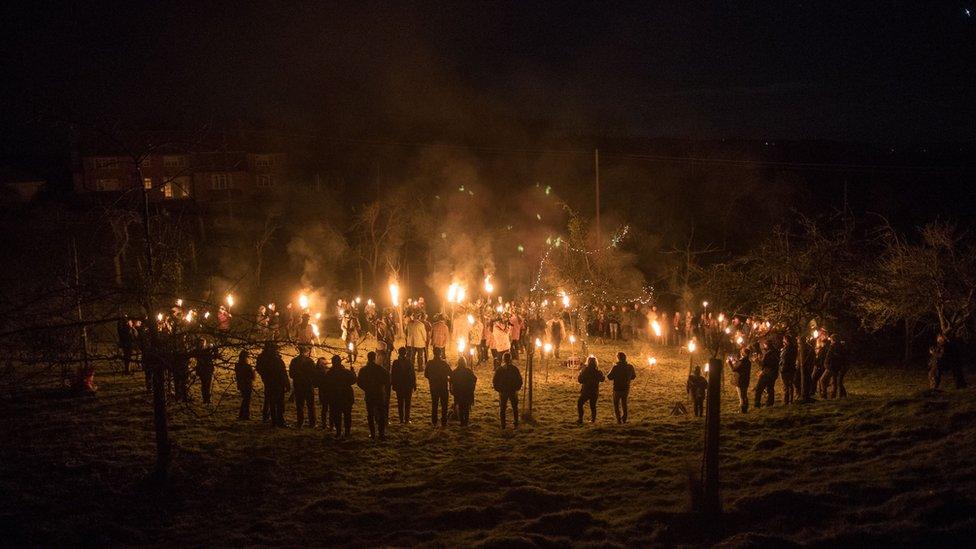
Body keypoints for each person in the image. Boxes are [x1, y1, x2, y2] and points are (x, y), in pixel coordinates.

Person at [357, 351, 391, 439]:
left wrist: (366, 388)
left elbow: (359, 382)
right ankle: (381, 434)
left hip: (369, 394)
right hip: (379, 393)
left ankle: (372, 434)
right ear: (375, 358)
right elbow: (387, 379)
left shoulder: (364, 370)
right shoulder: (380, 369)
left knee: (370, 414)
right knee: (381, 413)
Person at [323, 355, 357, 439]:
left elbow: (326, 385)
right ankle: (347, 432)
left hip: (335, 398)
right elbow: (353, 380)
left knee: (337, 415)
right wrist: (353, 372)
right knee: (347, 415)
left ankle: (338, 432)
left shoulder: (330, 373)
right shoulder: (345, 372)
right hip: (345, 397)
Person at [260, 343, 289, 427]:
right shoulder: (277, 361)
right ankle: (279, 421)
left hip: (269, 384)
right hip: (277, 384)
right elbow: (283, 373)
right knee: (279, 404)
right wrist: (286, 383)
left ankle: (274, 421)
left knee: (272, 403)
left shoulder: (265, 359)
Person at [492, 352, 523, 429]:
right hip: (512, 391)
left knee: (503, 408)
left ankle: (503, 424)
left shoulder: (500, 369)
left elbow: (495, 381)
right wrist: (517, 388)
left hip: (504, 391)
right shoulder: (514, 369)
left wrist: (499, 389)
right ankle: (515, 423)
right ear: (510, 359)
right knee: (514, 407)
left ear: (503, 359)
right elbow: (519, 380)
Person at [289, 346, 317, 428]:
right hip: (308, 385)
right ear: (306, 352)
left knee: (299, 405)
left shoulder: (294, 361)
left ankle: (300, 422)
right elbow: (314, 374)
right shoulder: (310, 361)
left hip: (298, 386)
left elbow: (291, 374)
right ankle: (312, 423)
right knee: (310, 405)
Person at [606, 352, 636, 423]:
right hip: (626, 388)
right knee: (624, 403)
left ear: (618, 358)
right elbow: (634, 376)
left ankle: (618, 419)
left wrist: (612, 369)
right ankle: (624, 419)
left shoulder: (616, 367)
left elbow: (609, 377)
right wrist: (628, 378)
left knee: (616, 404)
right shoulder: (630, 366)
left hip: (617, 388)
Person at [424, 350, 452, 427]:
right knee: (444, 405)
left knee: (434, 404)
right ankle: (444, 421)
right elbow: (450, 373)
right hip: (443, 386)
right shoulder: (444, 363)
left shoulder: (430, 363)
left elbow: (426, 374)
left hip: (433, 387)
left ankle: (434, 420)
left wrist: (432, 378)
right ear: (440, 354)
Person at [390, 347, 416, 423]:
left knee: (400, 403)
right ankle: (406, 419)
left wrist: (393, 385)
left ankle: (401, 419)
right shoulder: (409, 362)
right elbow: (413, 374)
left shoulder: (395, 362)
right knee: (407, 403)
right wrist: (414, 385)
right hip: (408, 386)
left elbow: (393, 375)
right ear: (406, 353)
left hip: (399, 386)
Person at [576, 356, 606, 424]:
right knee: (593, 405)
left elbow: (580, 380)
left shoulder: (585, 371)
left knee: (580, 403)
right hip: (594, 391)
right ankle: (593, 419)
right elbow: (602, 379)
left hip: (586, 391)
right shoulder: (597, 371)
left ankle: (580, 418)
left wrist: (580, 373)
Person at [450, 356, 478, 426]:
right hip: (467, 392)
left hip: (458, 392)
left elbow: (451, 381)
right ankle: (466, 421)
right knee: (466, 407)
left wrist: (452, 390)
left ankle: (462, 421)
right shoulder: (468, 371)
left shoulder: (455, 372)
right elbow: (474, 379)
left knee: (461, 407)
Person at [754, 340, 779, 408]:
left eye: (765, 345)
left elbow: (763, 365)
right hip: (774, 373)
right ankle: (770, 403)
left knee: (759, 388)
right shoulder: (776, 352)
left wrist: (757, 361)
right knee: (770, 388)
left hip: (766, 374)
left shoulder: (767, 354)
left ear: (767, 345)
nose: (764, 346)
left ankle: (757, 403)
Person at [194, 338, 217, 405]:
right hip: (205, 370)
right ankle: (206, 399)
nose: (202, 344)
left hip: (206, 370)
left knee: (206, 385)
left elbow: (214, 355)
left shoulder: (201, 351)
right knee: (205, 385)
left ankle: (206, 399)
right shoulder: (201, 351)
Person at [730, 347, 752, 413]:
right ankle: (744, 407)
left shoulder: (743, 361)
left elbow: (734, 369)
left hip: (741, 380)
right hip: (745, 380)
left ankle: (743, 409)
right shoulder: (747, 361)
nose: (740, 352)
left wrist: (729, 363)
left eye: (742, 351)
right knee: (744, 394)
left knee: (742, 395)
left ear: (744, 353)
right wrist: (737, 361)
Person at [235, 350, 255, 420]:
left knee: (245, 400)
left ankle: (242, 415)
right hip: (247, 384)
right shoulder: (247, 366)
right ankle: (245, 415)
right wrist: (253, 371)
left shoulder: (237, 365)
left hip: (241, 384)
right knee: (246, 400)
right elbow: (252, 376)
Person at [314, 357, 333, 430]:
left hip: (330, 392)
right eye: (322, 363)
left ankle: (330, 425)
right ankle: (324, 424)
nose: (324, 365)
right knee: (325, 409)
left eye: (324, 363)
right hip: (324, 392)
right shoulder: (319, 372)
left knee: (330, 409)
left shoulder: (328, 370)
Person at [779, 334, 798, 405]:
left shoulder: (787, 349)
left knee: (786, 385)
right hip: (791, 368)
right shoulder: (793, 347)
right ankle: (791, 400)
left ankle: (786, 401)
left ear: (786, 340)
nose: (783, 341)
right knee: (790, 385)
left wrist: (782, 368)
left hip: (786, 369)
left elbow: (784, 359)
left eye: (784, 339)